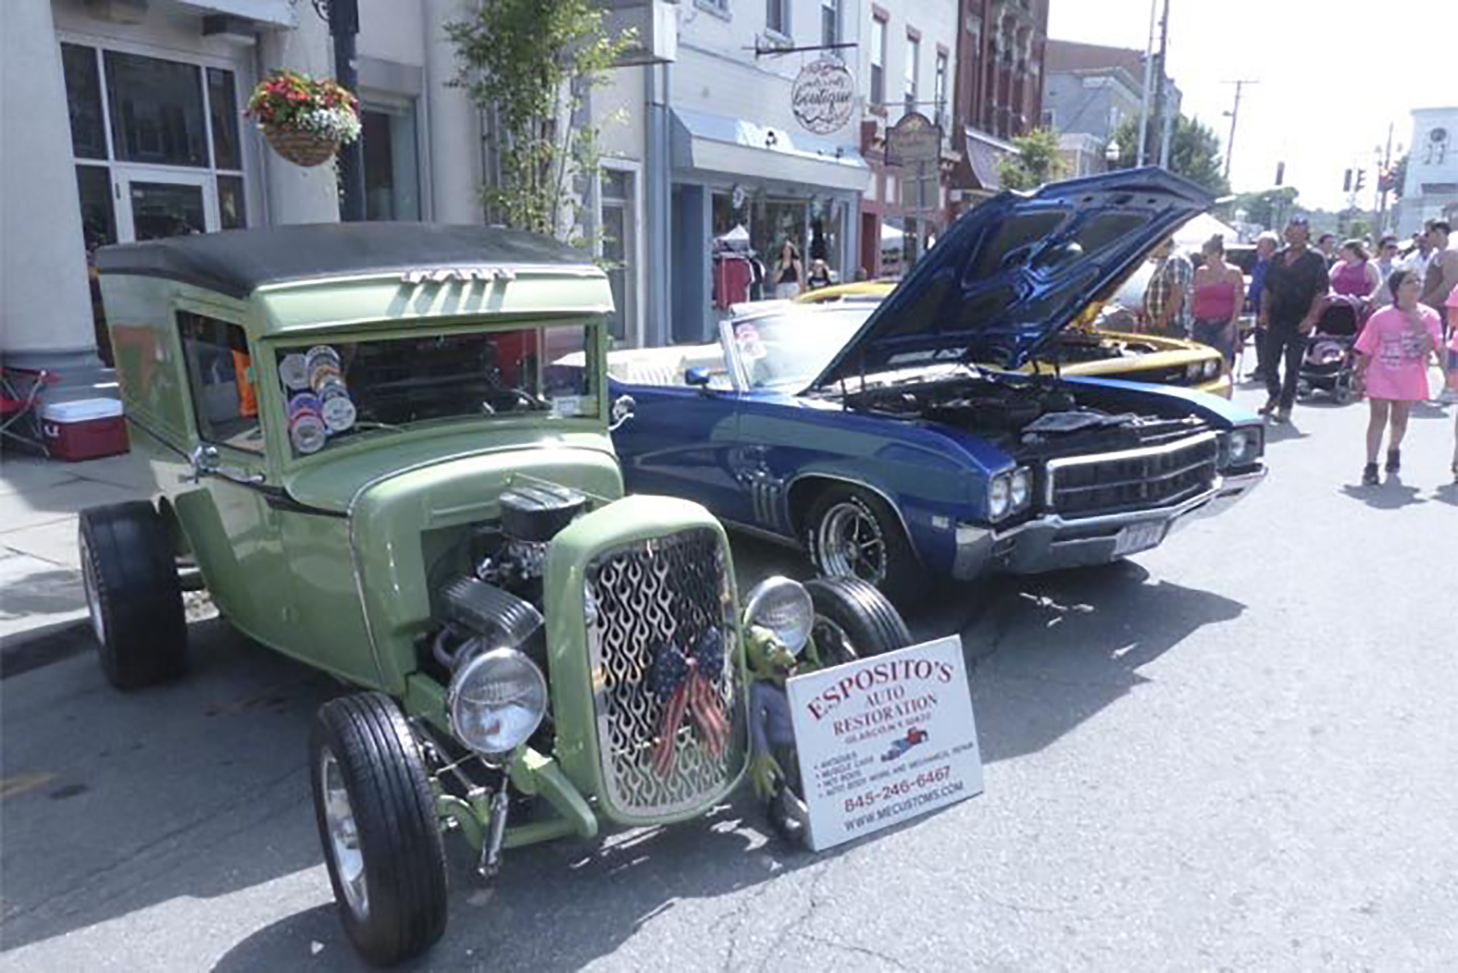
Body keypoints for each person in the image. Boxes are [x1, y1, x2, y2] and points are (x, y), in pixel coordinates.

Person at [1353, 269, 1441, 484]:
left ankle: (1394, 448)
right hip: (1381, 373)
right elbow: (1367, 348)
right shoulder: (1381, 317)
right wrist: (1359, 374)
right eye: (1409, 282)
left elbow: (1429, 348)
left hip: (1409, 375)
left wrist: (1418, 324)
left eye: (1418, 281)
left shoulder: (1430, 316)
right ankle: (1371, 464)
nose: (1416, 285)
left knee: (1400, 420)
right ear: (1397, 289)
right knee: (1378, 417)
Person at [1259, 216, 1330, 423]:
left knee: (1292, 365)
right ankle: (1275, 393)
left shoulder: (1316, 259)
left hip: (1300, 319)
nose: (1295, 238)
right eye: (1292, 233)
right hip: (1276, 316)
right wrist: (1263, 311)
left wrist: (1311, 317)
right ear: (1286, 235)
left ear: (1307, 235)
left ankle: (1285, 406)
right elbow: (1267, 287)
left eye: (1300, 234)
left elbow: (1321, 291)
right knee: (1268, 362)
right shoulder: (1277, 257)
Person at [1190, 235, 1244, 363]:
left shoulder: (1233, 273)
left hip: (1224, 323)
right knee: (1200, 362)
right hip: (1201, 323)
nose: (1203, 260)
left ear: (1217, 254)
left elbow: (1239, 301)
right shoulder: (1200, 272)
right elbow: (1194, 297)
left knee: (1224, 361)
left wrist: (1232, 325)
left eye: (1206, 256)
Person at [1142, 237, 1193, 337]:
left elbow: (1177, 293)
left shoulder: (1176, 261)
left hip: (1170, 325)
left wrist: (1164, 317)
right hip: (1158, 323)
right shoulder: (1163, 262)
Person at [1246, 231, 1279, 381]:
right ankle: (1261, 366)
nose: (1258, 248)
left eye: (1261, 245)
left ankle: (1268, 369)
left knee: (1268, 339)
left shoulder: (1276, 264)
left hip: (1270, 307)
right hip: (1258, 306)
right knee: (1260, 337)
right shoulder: (1260, 263)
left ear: (1271, 247)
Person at [1372, 235, 1402, 305]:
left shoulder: (1400, 265)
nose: (1392, 251)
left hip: (1393, 302)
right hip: (1375, 302)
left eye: (1395, 248)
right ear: (1380, 249)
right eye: (1389, 247)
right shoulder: (1372, 264)